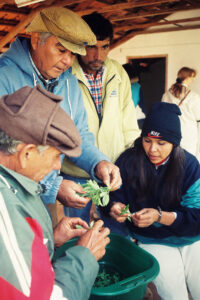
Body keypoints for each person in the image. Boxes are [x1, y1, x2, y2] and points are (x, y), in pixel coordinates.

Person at [0, 7, 122, 223]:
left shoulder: (68, 81)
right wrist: (52, 186)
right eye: (61, 50)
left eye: (73, 53)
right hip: (7, 200)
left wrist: (98, 163)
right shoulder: (4, 77)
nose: (68, 61)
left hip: (40, 197)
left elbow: (79, 134)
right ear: (37, 39)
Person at [0, 84, 110, 300]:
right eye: (54, 156)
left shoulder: (14, 180)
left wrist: (49, 238)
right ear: (27, 154)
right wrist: (84, 256)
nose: (57, 167)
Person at [101, 102, 200, 299]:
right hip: (151, 238)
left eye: (161, 143)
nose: (152, 149)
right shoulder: (127, 161)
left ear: (175, 143)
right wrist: (114, 207)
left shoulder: (189, 166)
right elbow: (111, 198)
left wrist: (160, 216)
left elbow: (197, 216)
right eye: (147, 140)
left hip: (190, 237)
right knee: (174, 295)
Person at [62, 12, 140, 220]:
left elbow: (128, 121)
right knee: (79, 233)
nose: (98, 55)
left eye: (104, 47)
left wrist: (131, 161)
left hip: (114, 171)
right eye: (91, 47)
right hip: (76, 173)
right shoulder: (65, 73)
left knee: (115, 230)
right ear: (80, 45)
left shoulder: (117, 72)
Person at [161, 67, 200, 161]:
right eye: (192, 77)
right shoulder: (194, 97)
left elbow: (162, 114)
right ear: (187, 78)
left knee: (173, 161)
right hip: (188, 134)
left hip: (171, 132)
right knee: (189, 162)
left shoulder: (167, 95)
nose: (193, 80)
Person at [123, 63, 146, 128]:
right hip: (138, 118)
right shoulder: (137, 86)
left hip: (135, 119)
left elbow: (133, 103)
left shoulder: (135, 86)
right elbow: (142, 106)